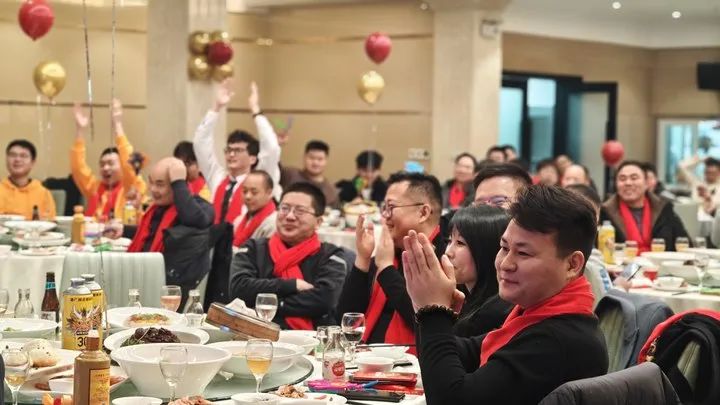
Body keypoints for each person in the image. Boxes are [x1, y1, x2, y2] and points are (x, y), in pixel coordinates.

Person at [404, 185, 608, 404]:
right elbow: (466, 352)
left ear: (572, 264)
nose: (505, 264)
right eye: (504, 248)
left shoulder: (558, 340)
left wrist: (433, 313)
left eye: (523, 253)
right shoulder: (535, 313)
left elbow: (453, 399)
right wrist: (428, 308)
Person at [193, 80, 281, 305]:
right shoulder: (218, 177)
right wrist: (216, 108)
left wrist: (256, 111)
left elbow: (272, 148)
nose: (231, 154)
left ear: (252, 157)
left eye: (238, 150)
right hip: (214, 253)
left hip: (247, 255)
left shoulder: (261, 176)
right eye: (229, 150)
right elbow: (200, 144)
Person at [337, 172, 445, 349]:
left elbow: (426, 323)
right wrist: (363, 259)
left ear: (423, 212)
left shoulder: (446, 258)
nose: (384, 216)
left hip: (415, 361)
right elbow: (346, 319)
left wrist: (387, 269)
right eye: (384, 208)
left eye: (391, 207)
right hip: (366, 355)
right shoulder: (389, 252)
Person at [229, 182, 346, 329]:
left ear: (318, 222)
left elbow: (324, 300)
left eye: (300, 211)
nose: (290, 216)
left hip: (315, 337)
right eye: (284, 208)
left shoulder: (331, 255)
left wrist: (268, 305)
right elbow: (239, 289)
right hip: (258, 334)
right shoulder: (253, 248)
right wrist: (292, 285)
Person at [114, 157, 214, 307]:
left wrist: (179, 183)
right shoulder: (156, 208)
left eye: (160, 184)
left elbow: (195, 220)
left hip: (167, 289)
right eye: (151, 182)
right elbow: (152, 235)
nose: (153, 189)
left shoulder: (198, 208)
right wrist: (124, 230)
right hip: (141, 278)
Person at [71, 99, 146, 221]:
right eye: (102, 164)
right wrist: (80, 131)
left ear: (122, 166)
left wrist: (118, 125)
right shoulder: (94, 188)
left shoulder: (131, 187)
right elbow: (78, 169)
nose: (105, 168)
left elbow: (129, 164)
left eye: (111, 164)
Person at [447, 205, 513, 338]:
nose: (448, 252)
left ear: (487, 249)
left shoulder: (494, 313)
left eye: (460, 243)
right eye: (449, 241)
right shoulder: (462, 299)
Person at [600, 161, 690, 253]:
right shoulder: (605, 212)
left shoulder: (664, 210)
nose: (628, 183)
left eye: (634, 178)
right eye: (622, 179)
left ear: (646, 183)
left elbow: (685, 243)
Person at [0, 140, 56, 219]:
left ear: (33, 162)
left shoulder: (43, 193)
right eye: (13, 155)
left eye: (23, 156)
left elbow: (50, 221)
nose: (17, 159)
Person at [281, 140, 339, 208]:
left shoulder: (331, 191)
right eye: (311, 158)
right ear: (304, 157)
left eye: (320, 159)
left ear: (326, 161)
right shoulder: (289, 174)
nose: (315, 163)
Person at [232, 170, 277, 247]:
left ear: (269, 193)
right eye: (245, 191)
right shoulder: (238, 221)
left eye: (254, 192)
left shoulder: (274, 223)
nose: (248, 196)